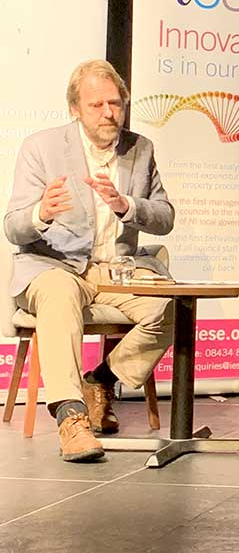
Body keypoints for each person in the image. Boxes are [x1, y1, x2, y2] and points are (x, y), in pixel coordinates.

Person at [4, 59, 175, 463]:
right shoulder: (42, 148)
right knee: (60, 295)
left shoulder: (140, 148)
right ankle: (71, 417)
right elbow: (13, 228)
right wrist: (41, 214)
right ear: (75, 109)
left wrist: (127, 205)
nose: (108, 113)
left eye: (115, 104)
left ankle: (100, 380)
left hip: (119, 269)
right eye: (97, 105)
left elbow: (165, 217)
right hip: (55, 266)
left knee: (173, 307)